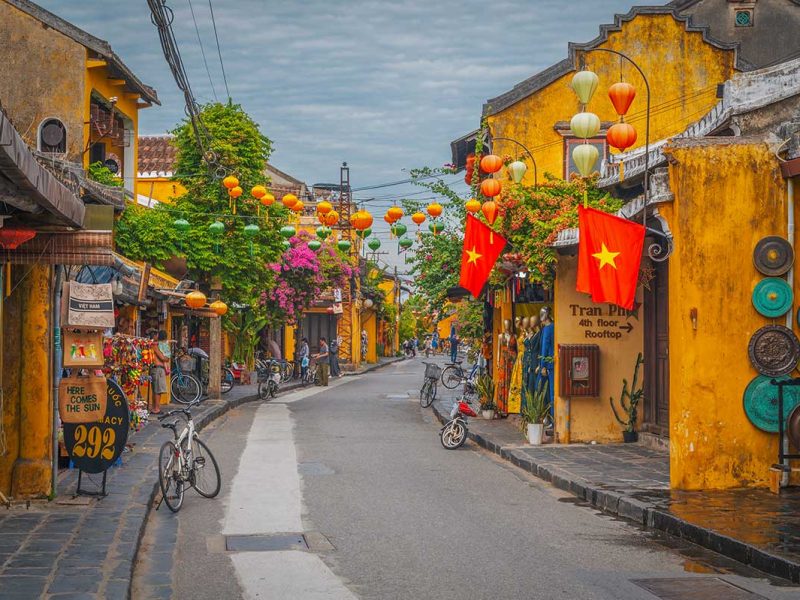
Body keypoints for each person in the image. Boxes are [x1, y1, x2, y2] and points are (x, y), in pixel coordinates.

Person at [150, 331, 170, 415]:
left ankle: (155, 407)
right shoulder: (155, 346)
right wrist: (166, 358)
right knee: (158, 390)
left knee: (156, 390)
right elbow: (163, 358)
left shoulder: (158, 345)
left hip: (157, 369)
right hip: (158, 369)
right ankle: (156, 409)